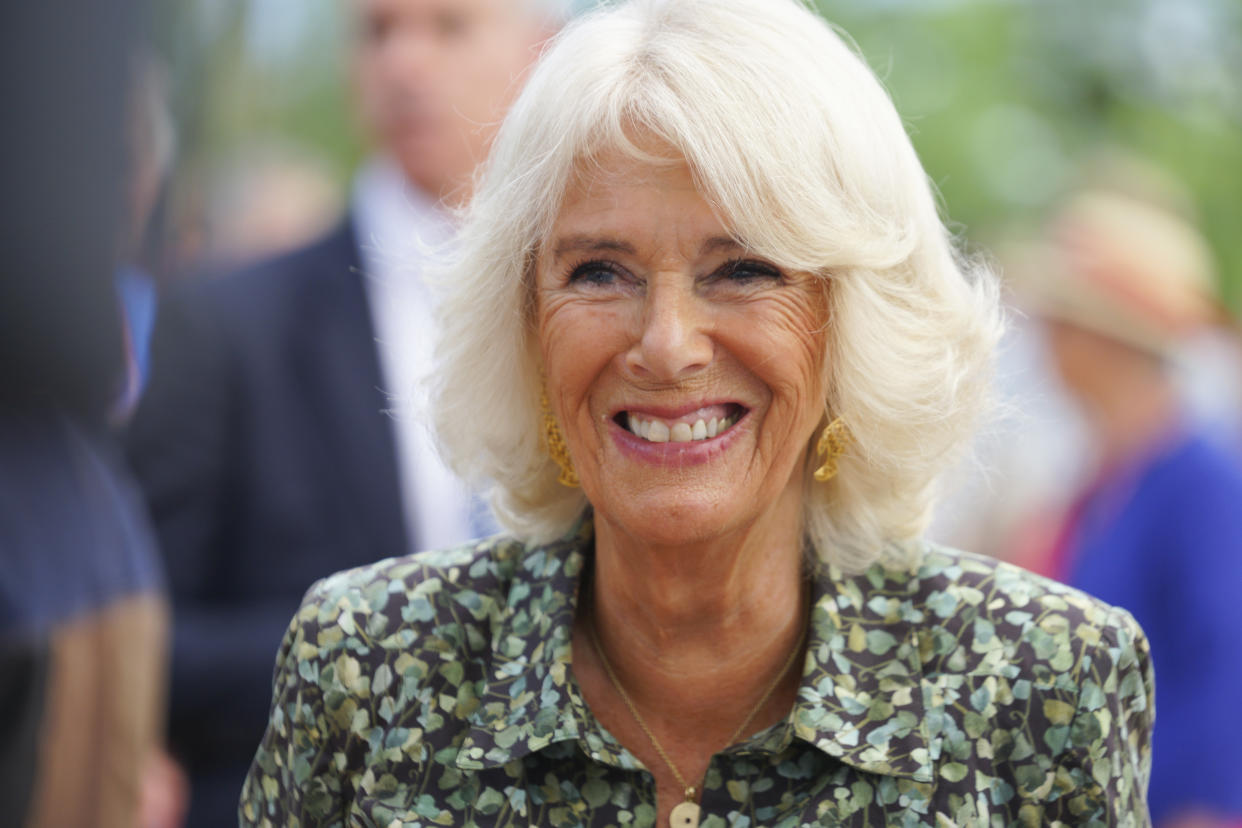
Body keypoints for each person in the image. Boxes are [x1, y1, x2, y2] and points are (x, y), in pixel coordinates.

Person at [241, 0, 1155, 825]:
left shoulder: (1043, 685)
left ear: (853, 325)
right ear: (523, 322)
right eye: (600, 271)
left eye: (745, 270)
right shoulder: (367, 666)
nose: (667, 344)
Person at [124, 1, 560, 824]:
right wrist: (405, 645)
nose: (404, 63)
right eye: (377, 31)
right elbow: (132, 637)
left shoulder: (606, 315)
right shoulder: (228, 327)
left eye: (448, 26)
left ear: (545, 52)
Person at [1013, 181, 1242, 827]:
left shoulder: (1202, 486)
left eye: (1062, 320)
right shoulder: (1102, 480)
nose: (1045, 338)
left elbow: (1227, 672)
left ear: (1106, 339)